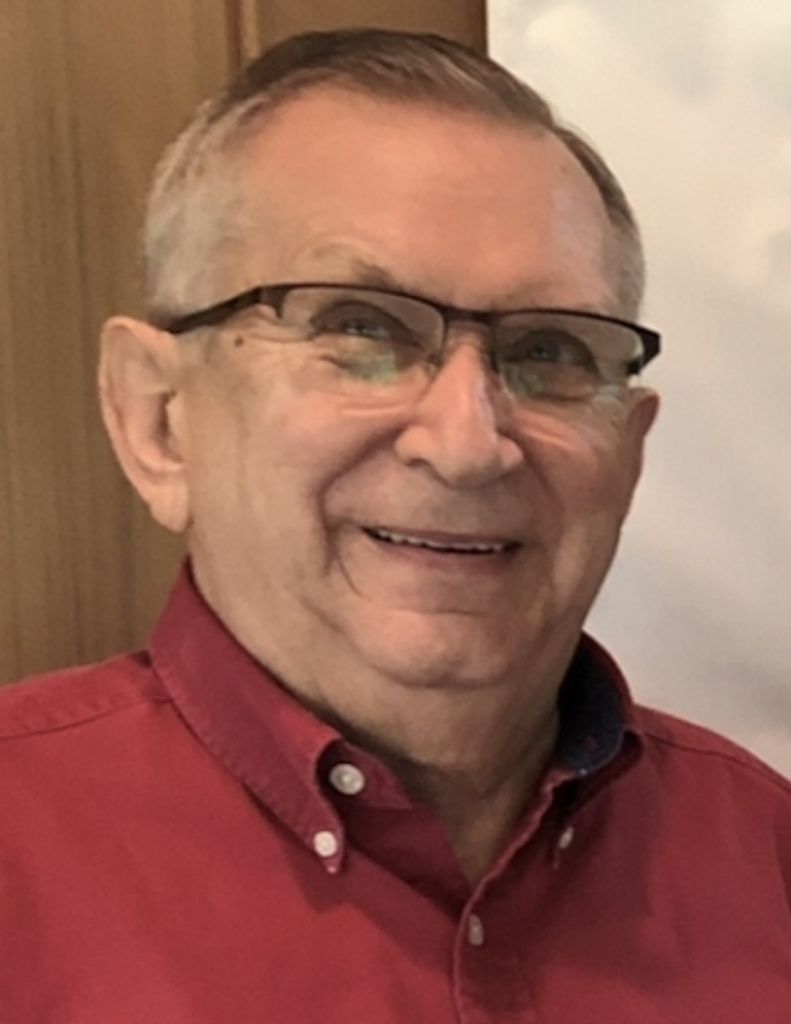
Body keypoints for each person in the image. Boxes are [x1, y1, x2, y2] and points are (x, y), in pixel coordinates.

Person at [1, 28, 788, 1023]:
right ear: (159, 420)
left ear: (626, 457)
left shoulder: (764, 856)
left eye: (548, 351)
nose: (466, 444)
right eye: (359, 328)